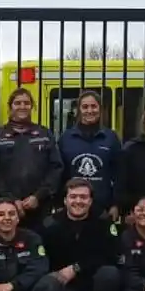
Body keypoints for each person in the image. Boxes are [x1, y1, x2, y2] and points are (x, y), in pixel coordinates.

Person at [41, 179, 122, 291]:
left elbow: (110, 254)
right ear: (65, 200)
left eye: (83, 197)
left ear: (90, 200)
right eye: (73, 197)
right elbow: (42, 257)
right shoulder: (50, 224)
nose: (78, 201)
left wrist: (77, 267)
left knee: (110, 273)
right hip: (63, 285)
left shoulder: (103, 221)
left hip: (92, 284)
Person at [0, 88, 64, 233]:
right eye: (17, 103)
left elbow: (56, 167)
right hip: (7, 209)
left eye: (26, 103)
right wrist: (11, 200)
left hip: (40, 207)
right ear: (10, 107)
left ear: (32, 106)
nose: (22, 106)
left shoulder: (45, 134)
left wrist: (38, 197)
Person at [59, 90, 122, 220]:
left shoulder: (111, 138)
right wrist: (59, 202)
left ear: (100, 109)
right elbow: (60, 173)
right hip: (73, 208)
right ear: (79, 110)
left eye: (93, 106)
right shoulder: (66, 138)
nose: (90, 110)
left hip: (103, 209)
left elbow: (119, 174)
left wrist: (116, 204)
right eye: (85, 107)